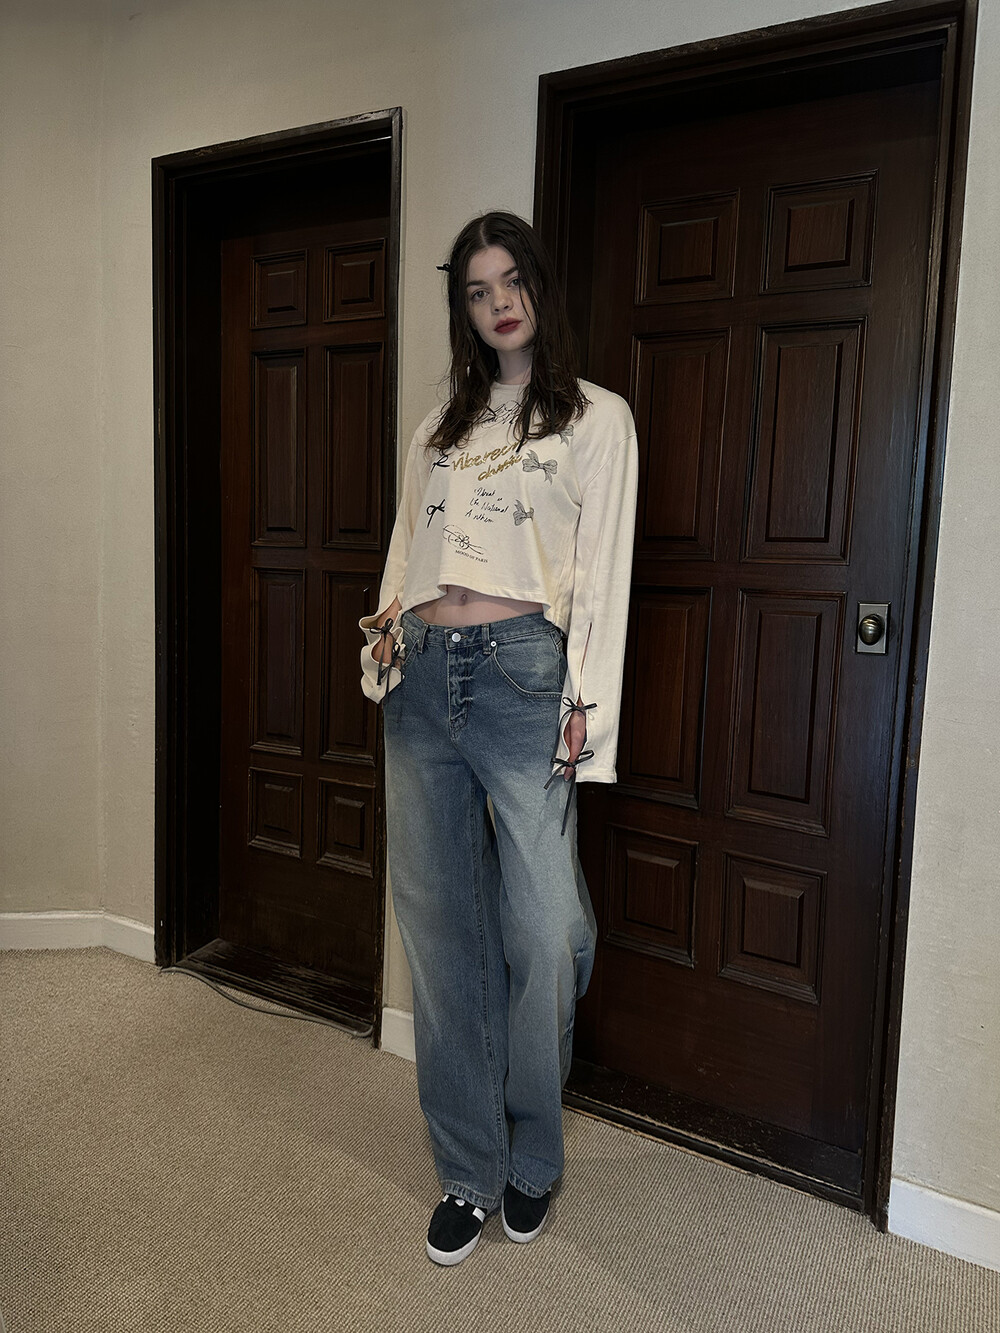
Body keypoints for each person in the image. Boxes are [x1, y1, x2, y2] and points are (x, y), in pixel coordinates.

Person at [358, 212, 638, 1266]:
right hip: (425, 675)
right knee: (439, 928)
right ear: (463, 308)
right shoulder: (441, 424)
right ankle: (471, 1169)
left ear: (538, 286)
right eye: (476, 291)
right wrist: (385, 644)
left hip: (527, 678)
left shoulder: (595, 420)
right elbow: (407, 548)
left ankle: (535, 1149)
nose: (497, 303)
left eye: (510, 280)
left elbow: (601, 577)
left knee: (548, 928)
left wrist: (585, 715)